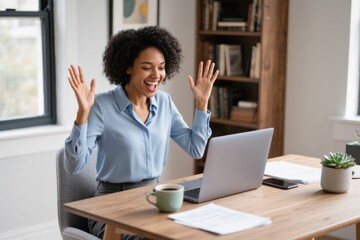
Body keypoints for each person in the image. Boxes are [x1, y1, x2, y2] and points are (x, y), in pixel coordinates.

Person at [64, 26, 218, 239]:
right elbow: (74, 166)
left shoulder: (165, 103)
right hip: (110, 207)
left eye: (162, 68)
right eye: (147, 67)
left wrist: (202, 105)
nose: (156, 75)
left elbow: (196, 149)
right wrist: (82, 114)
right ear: (128, 67)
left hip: (154, 200)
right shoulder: (101, 105)